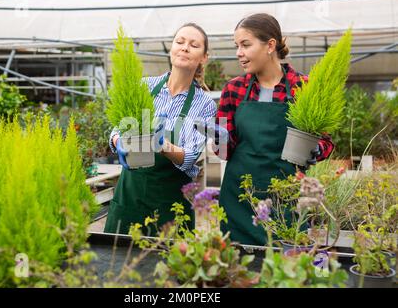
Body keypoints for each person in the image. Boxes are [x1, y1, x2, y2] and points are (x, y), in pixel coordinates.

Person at [212, 13, 334, 245]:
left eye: (245, 45)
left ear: (270, 45)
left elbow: (326, 142)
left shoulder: (305, 87)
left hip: (285, 198)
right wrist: (217, 137)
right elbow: (224, 151)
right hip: (239, 197)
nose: (239, 53)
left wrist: (313, 150)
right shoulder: (233, 89)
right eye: (236, 46)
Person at [104, 23, 217, 235]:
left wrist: (162, 145)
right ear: (172, 48)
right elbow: (117, 126)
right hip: (130, 197)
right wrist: (118, 140)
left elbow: (191, 157)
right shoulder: (145, 86)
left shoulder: (204, 104)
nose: (184, 47)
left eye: (193, 45)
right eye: (179, 42)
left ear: (203, 57)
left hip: (170, 206)